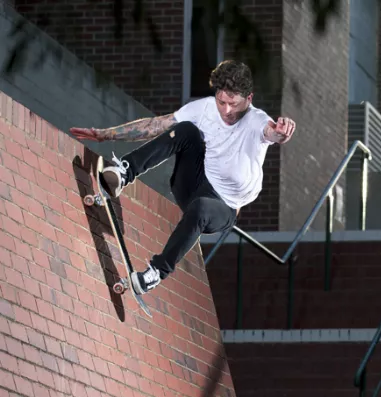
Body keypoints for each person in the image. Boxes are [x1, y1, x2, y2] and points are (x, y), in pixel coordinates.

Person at [70, 59, 295, 297]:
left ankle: (155, 273)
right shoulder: (204, 108)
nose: (227, 111)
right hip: (191, 184)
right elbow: (156, 125)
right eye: (222, 102)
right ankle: (124, 172)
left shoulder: (256, 120)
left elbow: (273, 133)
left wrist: (282, 133)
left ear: (248, 99)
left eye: (234, 104)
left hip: (222, 208)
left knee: (201, 208)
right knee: (186, 130)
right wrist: (106, 135)